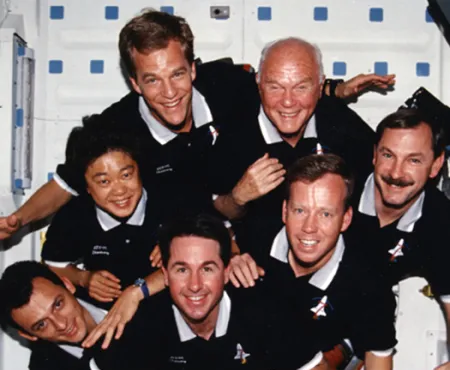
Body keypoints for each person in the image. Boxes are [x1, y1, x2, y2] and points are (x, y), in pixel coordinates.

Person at [0, 11, 394, 241]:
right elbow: (65, 185)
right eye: (152, 80)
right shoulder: (114, 128)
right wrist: (18, 221)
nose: (169, 92)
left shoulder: (228, 85)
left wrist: (336, 90)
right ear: (134, 83)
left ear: (193, 67)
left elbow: (282, 87)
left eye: (177, 74)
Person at [86, 214, 331, 370]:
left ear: (226, 272)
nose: (195, 285)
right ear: (165, 274)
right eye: (182, 269)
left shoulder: (262, 307)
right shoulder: (147, 319)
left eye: (207, 269)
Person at [227, 154, 397, 370]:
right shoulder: (255, 235)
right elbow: (207, 228)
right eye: (300, 210)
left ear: (346, 219)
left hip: (320, 356)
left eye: (325, 214)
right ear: (284, 211)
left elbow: (378, 348)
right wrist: (231, 255)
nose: (308, 227)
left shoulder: (367, 277)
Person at [211, 37, 387, 253]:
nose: (288, 101)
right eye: (275, 87)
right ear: (258, 83)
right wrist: (239, 197)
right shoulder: (233, 134)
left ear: (320, 86)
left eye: (301, 87)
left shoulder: (342, 126)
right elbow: (212, 211)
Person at [343, 108, 450, 370]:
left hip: (363, 325)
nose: (396, 172)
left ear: (435, 165)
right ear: (374, 154)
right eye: (388, 155)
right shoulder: (339, 184)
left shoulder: (440, 223)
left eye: (414, 160)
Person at [42, 116, 165, 310]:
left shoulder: (170, 197)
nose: (119, 191)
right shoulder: (74, 217)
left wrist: (180, 241)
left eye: (126, 175)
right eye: (104, 182)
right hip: (108, 317)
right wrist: (84, 278)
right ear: (86, 187)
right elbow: (52, 263)